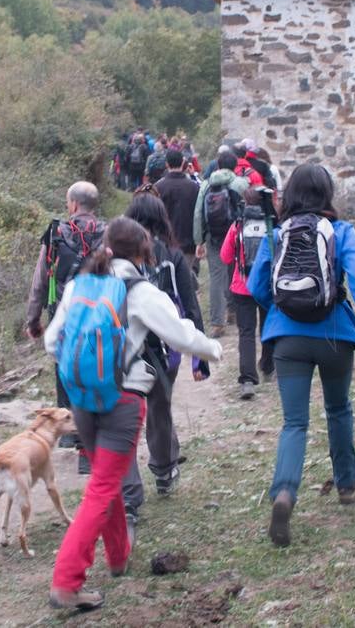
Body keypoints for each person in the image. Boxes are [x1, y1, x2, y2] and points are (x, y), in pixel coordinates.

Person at [44, 218, 222, 611]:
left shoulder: (78, 285)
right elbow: (181, 336)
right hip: (122, 403)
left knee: (107, 482)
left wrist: (87, 370)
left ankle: (119, 555)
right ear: (144, 253)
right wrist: (215, 351)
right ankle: (66, 582)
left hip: (82, 400)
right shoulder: (139, 292)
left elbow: (52, 341)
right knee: (103, 489)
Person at [247, 163, 355, 548]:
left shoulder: (277, 235)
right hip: (335, 336)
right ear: (327, 194)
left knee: (294, 423)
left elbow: (256, 285)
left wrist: (281, 310)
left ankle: (284, 493)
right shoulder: (341, 232)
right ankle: (346, 483)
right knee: (338, 409)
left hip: (286, 338)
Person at [125, 193, 208, 506]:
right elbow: (190, 306)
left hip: (126, 346)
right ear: (162, 219)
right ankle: (164, 471)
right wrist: (198, 358)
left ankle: (127, 479)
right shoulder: (172, 257)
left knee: (127, 410)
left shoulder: (117, 258)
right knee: (160, 407)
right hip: (165, 348)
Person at [24, 181, 107, 466]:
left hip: (63, 313)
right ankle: (89, 449)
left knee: (66, 371)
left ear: (72, 204)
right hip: (99, 312)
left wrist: (33, 319)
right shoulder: (107, 233)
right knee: (95, 371)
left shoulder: (56, 233)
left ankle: (72, 433)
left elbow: (41, 279)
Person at [219, 187, 274, 399]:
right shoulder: (271, 226)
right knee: (268, 327)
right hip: (266, 286)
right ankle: (268, 366)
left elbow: (225, 257)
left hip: (242, 287)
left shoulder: (238, 226)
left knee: (247, 333)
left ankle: (248, 379)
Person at [193, 149, 252, 336]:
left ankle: (217, 323)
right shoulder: (241, 184)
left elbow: (198, 214)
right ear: (235, 166)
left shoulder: (206, 185)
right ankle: (232, 311)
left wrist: (199, 241)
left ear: (218, 165)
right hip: (236, 235)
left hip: (214, 236)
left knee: (216, 277)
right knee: (235, 271)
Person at [153, 149, 200, 268]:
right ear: (183, 163)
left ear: (167, 164)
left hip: (165, 243)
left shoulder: (158, 187)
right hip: (188, 243)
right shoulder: (193, 187)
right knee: (186, 279)